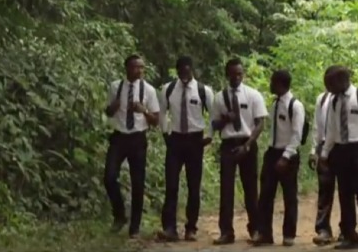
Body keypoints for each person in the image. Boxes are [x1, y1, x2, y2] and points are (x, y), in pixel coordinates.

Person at [319, 66, 358, 250]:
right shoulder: (334, 102)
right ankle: (350, 235)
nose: (328, 88)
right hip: (340, 150)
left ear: (343, 80)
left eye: (330, 84)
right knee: (344, 195)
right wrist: (324, 153)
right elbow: (331, 130)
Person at [210, 58, 267, 245]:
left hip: (247, 142)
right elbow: (215, 124)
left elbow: (260, 124)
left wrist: (248, 144)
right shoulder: (219, 98)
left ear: (243, 74)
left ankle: (256, 229)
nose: (236, 77)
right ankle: (226, 231)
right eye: (233, 73)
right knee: (226, 189)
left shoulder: (253, 95)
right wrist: (225, 119)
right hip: (228, 143)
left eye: (239, 73)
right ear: (227, 74)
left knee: (251, 188)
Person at [156, 56, 214, 242]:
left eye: (188, 71)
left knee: (193, 185)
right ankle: (170, 228)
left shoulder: (203, 91)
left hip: (195, 140)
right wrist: (166, 134)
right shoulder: (169, 89)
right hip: (176, 140)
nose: (185, 74)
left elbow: (213, 115)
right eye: (181, 71)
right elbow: (162, 113)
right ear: (178, 71)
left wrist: (210, 136)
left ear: (192, 69)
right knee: (171, 184)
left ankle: (191, 228)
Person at [103, 54, 161, 238]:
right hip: (119, 137)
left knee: (138, 182)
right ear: (127, 68)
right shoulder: (115, 86)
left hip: (137, 138)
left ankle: (134, 227)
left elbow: (156, 121)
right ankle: (119, 215)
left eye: (142, 67)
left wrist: (144, 111)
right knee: (109, 177)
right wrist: (114, 106)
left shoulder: (149, 90)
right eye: (136, 67)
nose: (140, 71)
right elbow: (108, 112)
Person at [251, 70, 305, 247]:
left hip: (288, 155)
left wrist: (286, 156)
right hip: (272, 152)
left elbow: (297, 135)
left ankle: (289, 234)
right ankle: (265, 233)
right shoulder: (274, 105)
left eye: (272, 82)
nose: (270, 84)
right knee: (265, 195)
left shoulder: (295, 106)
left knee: (289, 196)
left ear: (280, 84)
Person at [310, 66, 344, 245]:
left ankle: (346, 229)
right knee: (324, 190)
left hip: (342, 146)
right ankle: (323, 229)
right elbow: (317, 126)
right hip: (324, 147)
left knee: (346, 190)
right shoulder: (322, 99)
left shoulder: (346, 99)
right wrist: (314, 150)